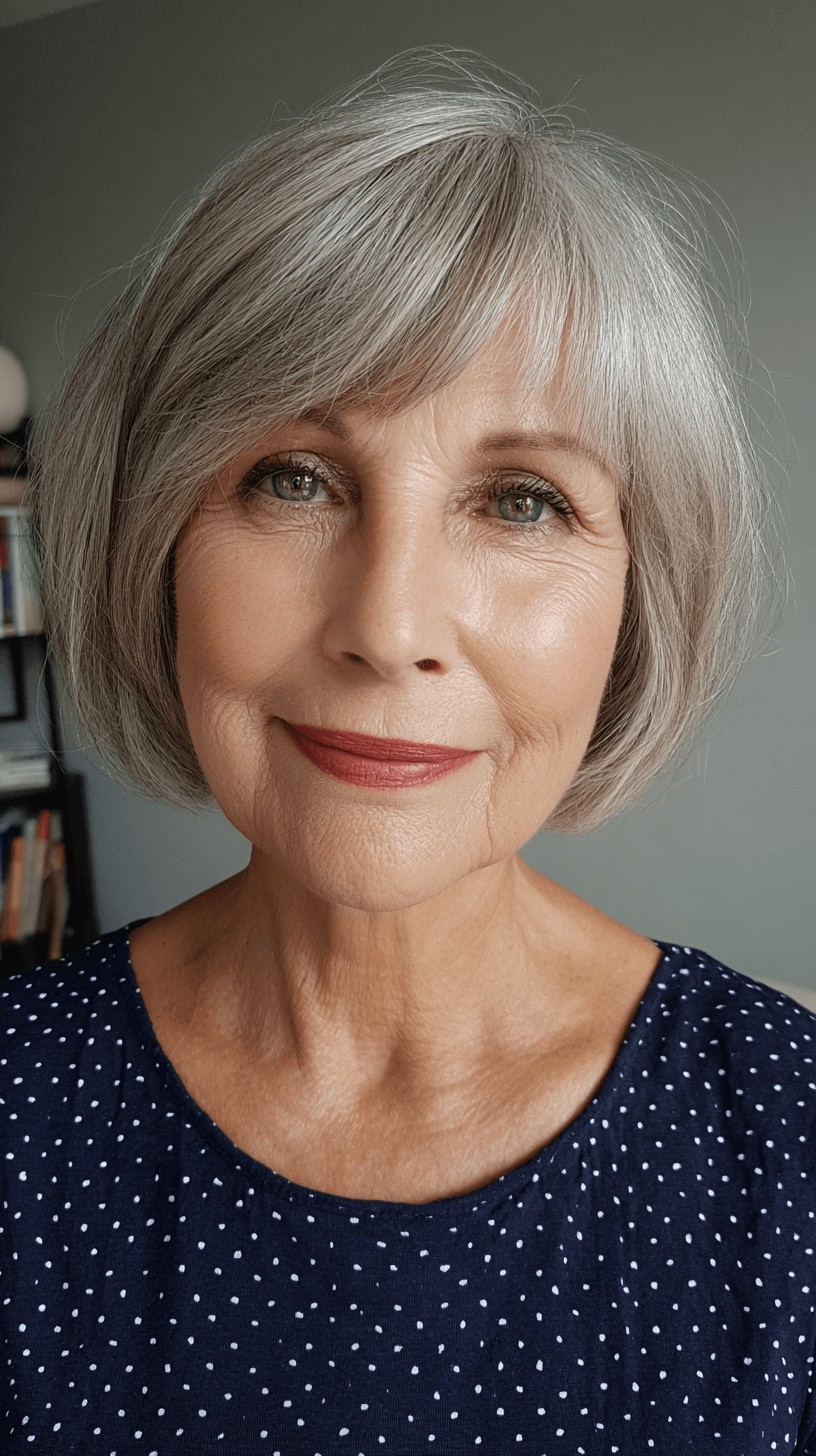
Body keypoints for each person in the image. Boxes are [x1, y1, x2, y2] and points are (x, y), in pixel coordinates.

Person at [2, 45, 813, 1456]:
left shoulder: (789, 1143)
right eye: (293, 478)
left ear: (638, 595)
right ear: (159, 544)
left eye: (521, 501)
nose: (388, 626)